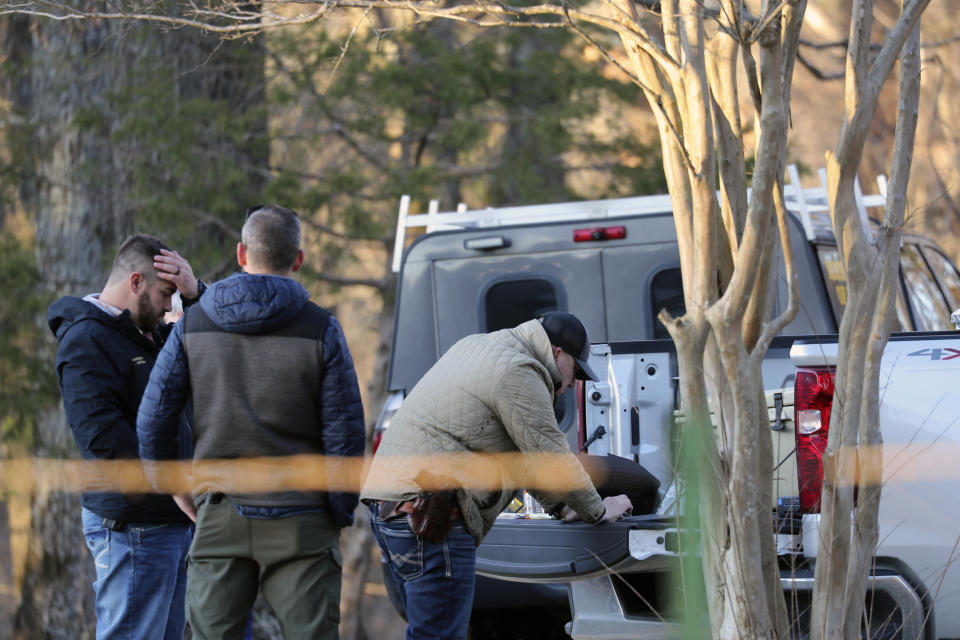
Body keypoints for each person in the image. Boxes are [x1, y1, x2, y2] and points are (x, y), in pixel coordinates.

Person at [136, 204, 366, 639]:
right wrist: (337, 511)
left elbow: (153, 418)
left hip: (220, 510)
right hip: (303, 515)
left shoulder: (194, 324)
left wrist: (177, 487)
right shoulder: (321, 328)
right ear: (297, 259)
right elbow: (345, 430)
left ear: (242, 253)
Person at [361, 311, 634, 640]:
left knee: (429, 633)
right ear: (558, 352)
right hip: (431, 515)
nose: (572, 383)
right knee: (440, 636)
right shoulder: (520, 370)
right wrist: (599, 510)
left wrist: (561, 508)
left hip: (389, 508)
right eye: (575, 371)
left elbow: (524, 457)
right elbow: (550, 453)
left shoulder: (479, 346)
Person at [47, 233, 204, 640]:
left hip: (171, 521)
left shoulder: (151, 334)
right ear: (135, 282)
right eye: (166, 293)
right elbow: (103, 439)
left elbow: (207, 349)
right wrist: (172, 482)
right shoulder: (86, 340)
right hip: (133, 526)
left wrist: (195, 294)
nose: (171, 305)